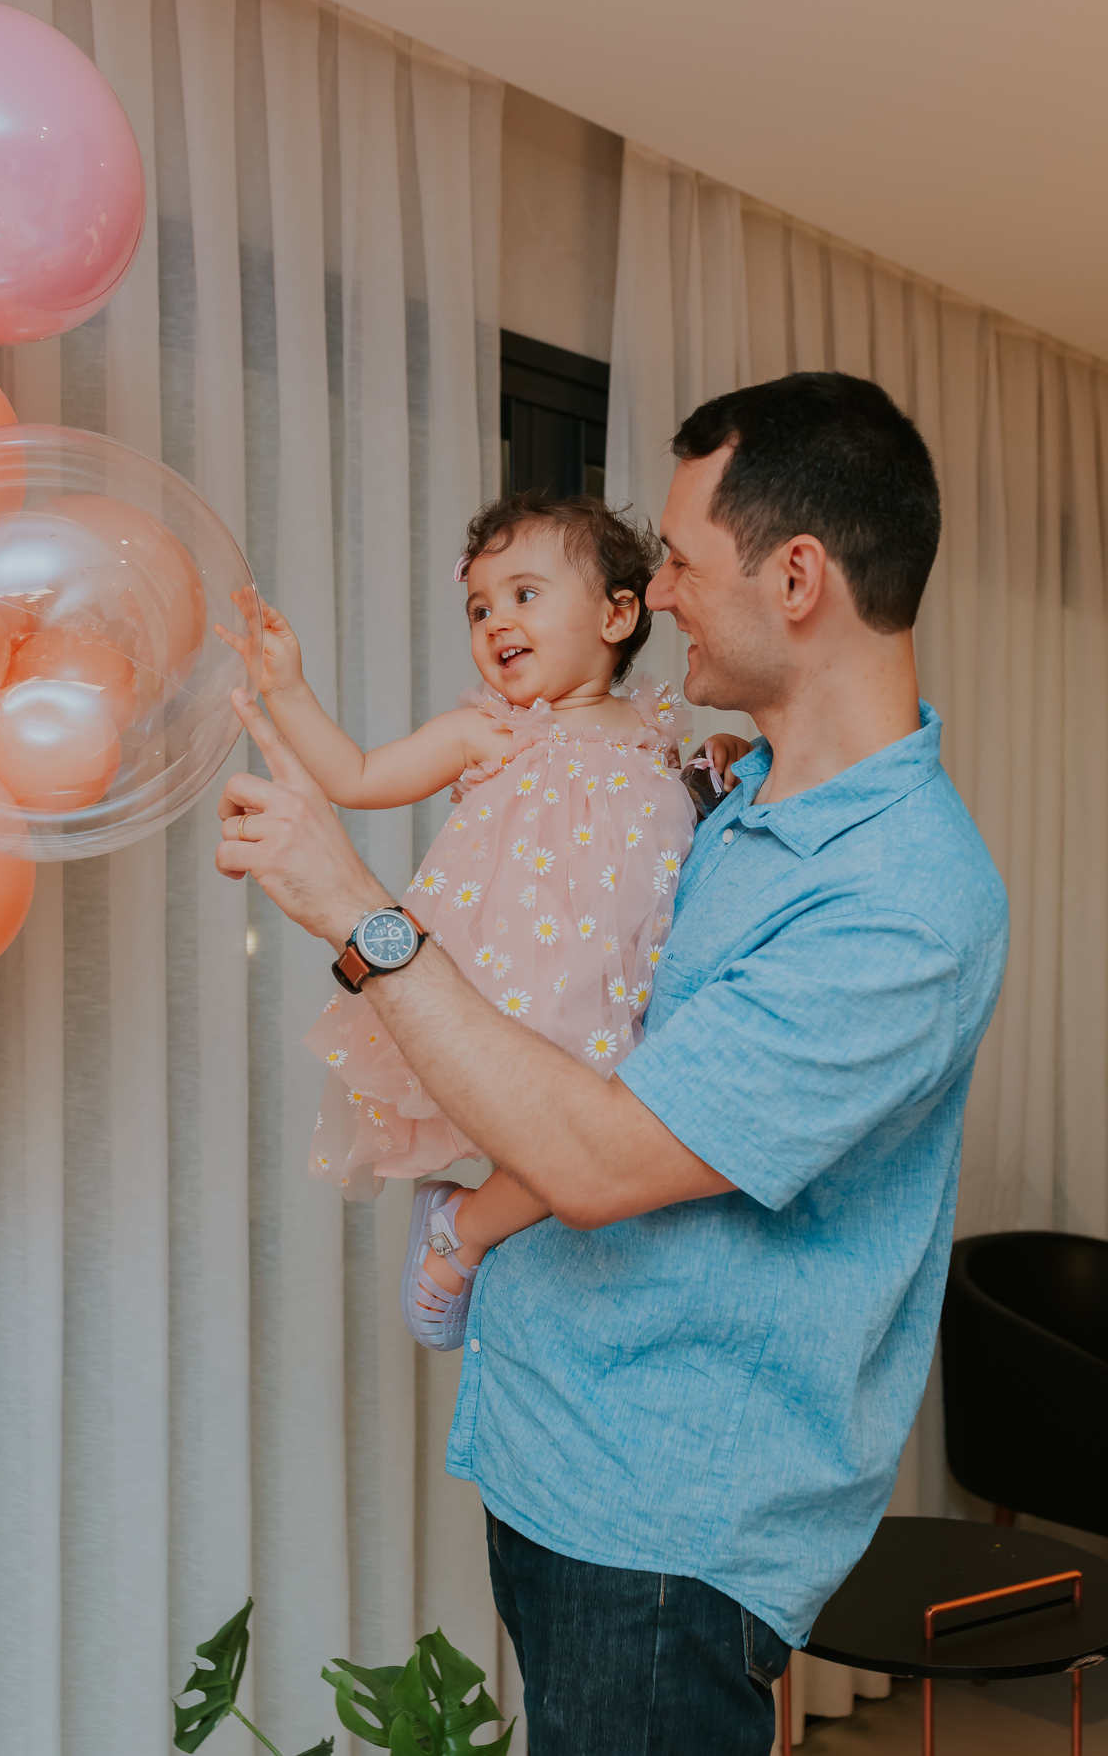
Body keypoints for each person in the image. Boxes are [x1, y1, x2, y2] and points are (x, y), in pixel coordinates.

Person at [216, 372, 1009, 1755]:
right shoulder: (723, 791)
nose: (670, 597)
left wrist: (357, 911)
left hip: (663, 1526)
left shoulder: (901, 900)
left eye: (688, 565)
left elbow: (595, 1158)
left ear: (801, 577)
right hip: (554, 1448)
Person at [217, 493, 748, 1350]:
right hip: (508, 986)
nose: (496, 618)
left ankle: (461, 1223)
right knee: (557, 1129)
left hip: (622, 987)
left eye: (524, 595)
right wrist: (289, 688)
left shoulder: (661, 735)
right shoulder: (489, 730)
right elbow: (356, 774)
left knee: (604, 1129)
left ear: (617, 614)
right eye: (480, 606)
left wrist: (722, 755)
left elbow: (696, 813)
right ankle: (460, 1235)